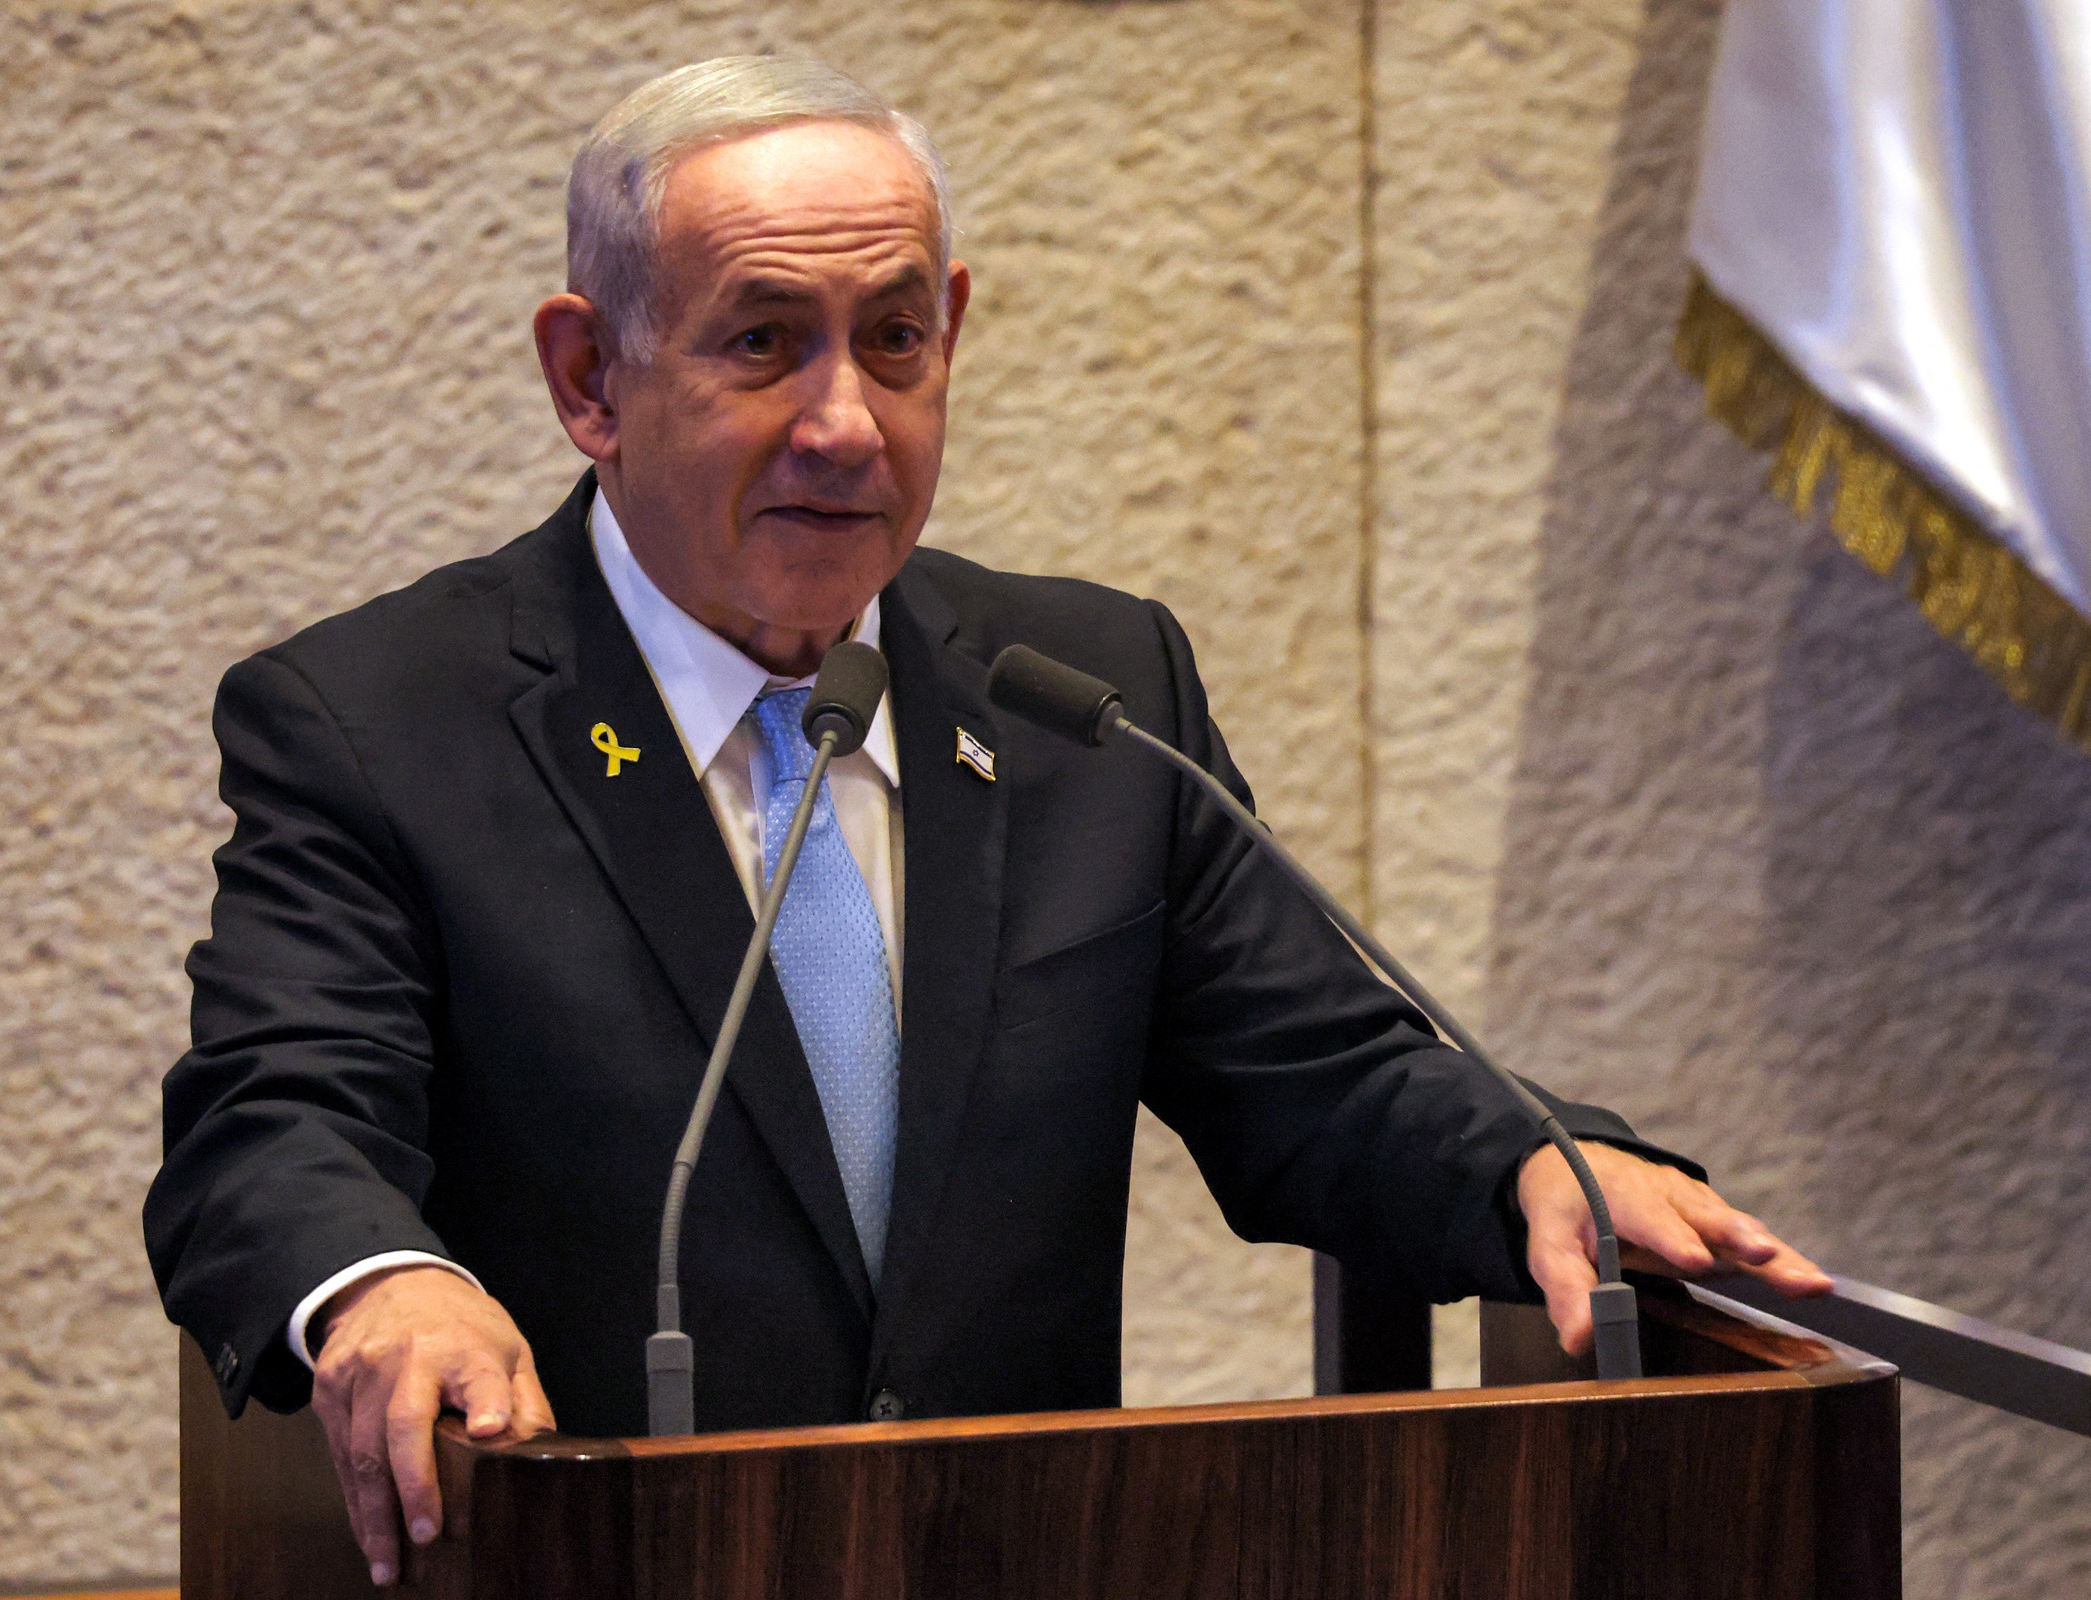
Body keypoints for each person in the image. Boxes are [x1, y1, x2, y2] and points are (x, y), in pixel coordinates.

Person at [143, 56, 1830, 1589]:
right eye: (761, 342)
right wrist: (380, 1283)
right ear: (591, 377)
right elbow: (272, 1127)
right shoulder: (380, 725)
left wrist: (1538, 1161)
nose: (843, 424)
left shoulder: (1087, 696)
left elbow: (1322, 1076)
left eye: (893, 339)